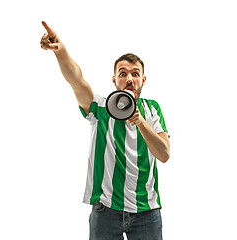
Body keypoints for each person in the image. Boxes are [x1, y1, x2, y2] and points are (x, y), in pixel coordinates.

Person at [40, 21, 170, 240]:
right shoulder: (100, 108)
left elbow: (164, 154)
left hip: (146, 212)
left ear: (143, 80)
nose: (129, 78)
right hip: (106, 210)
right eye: (123, 73)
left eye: (135, 74)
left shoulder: (152, 109)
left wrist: (140, 121)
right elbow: (76, 80)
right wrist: (60, 52)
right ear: (114, 80)